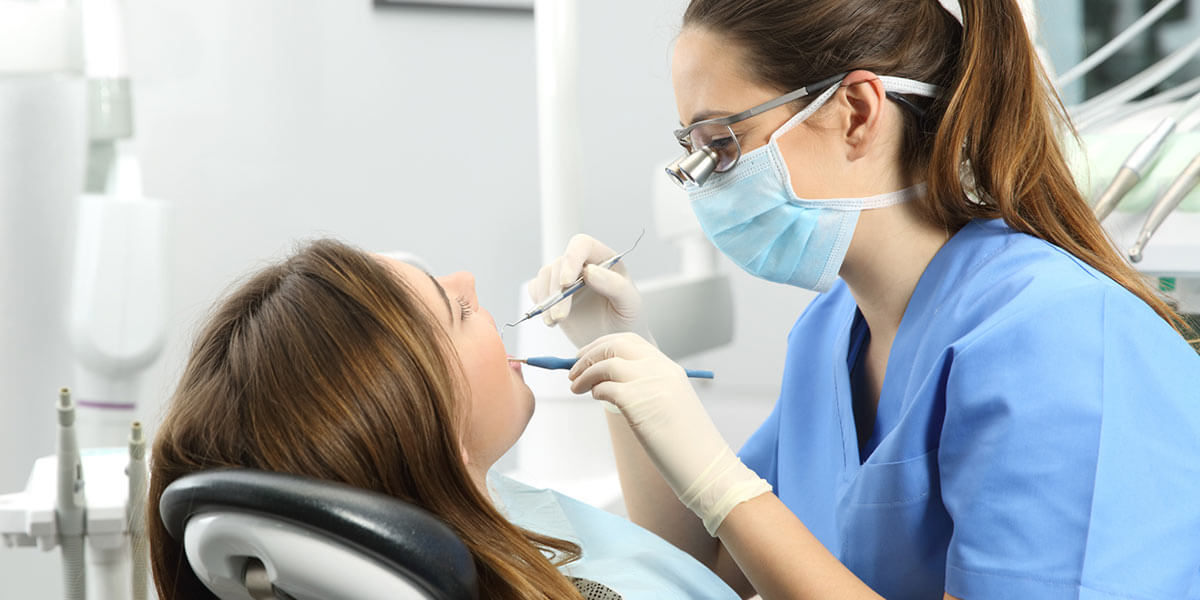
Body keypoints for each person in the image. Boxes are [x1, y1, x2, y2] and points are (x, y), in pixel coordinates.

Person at [531, 1, 1200, 599]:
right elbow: (703, 563)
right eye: (693, 151)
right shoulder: (830, 332)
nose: (701, 189)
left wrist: (721, 483)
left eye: (723, 146)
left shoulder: (1055, 336)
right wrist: (620, 361)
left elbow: (730, 513)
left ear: (856, 112)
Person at [146, 239, 738, 600]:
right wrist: (724, 486)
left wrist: (617, 348)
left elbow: (665, 567)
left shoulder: (473, 508)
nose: (469, 282)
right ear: (430, 436)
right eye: (456, 310)